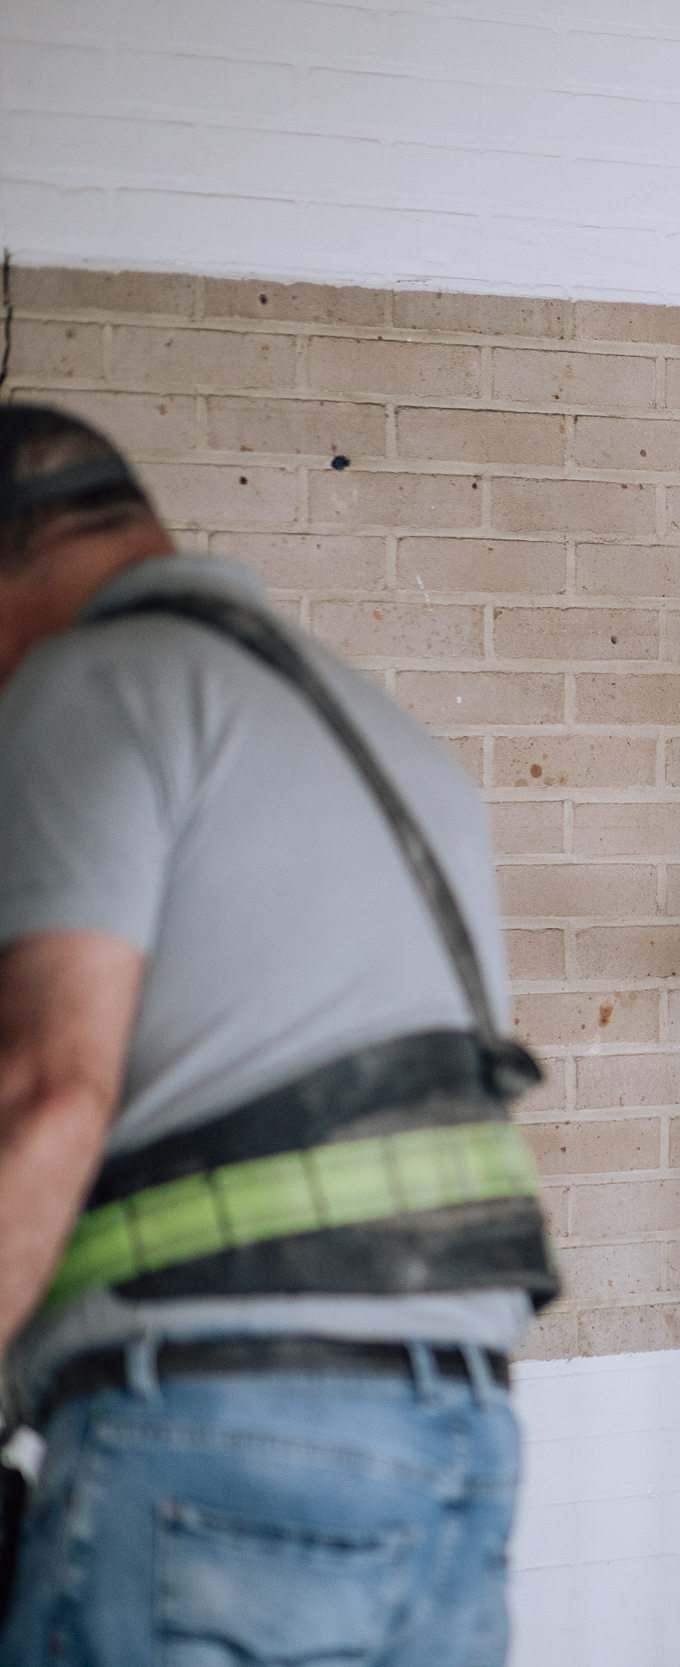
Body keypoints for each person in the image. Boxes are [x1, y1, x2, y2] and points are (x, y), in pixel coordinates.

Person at [0, 406, 558, 1666]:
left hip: (217, 1439)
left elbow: (44, 1091)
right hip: (456, 1452)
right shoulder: (388, 736)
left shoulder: (90, 685)